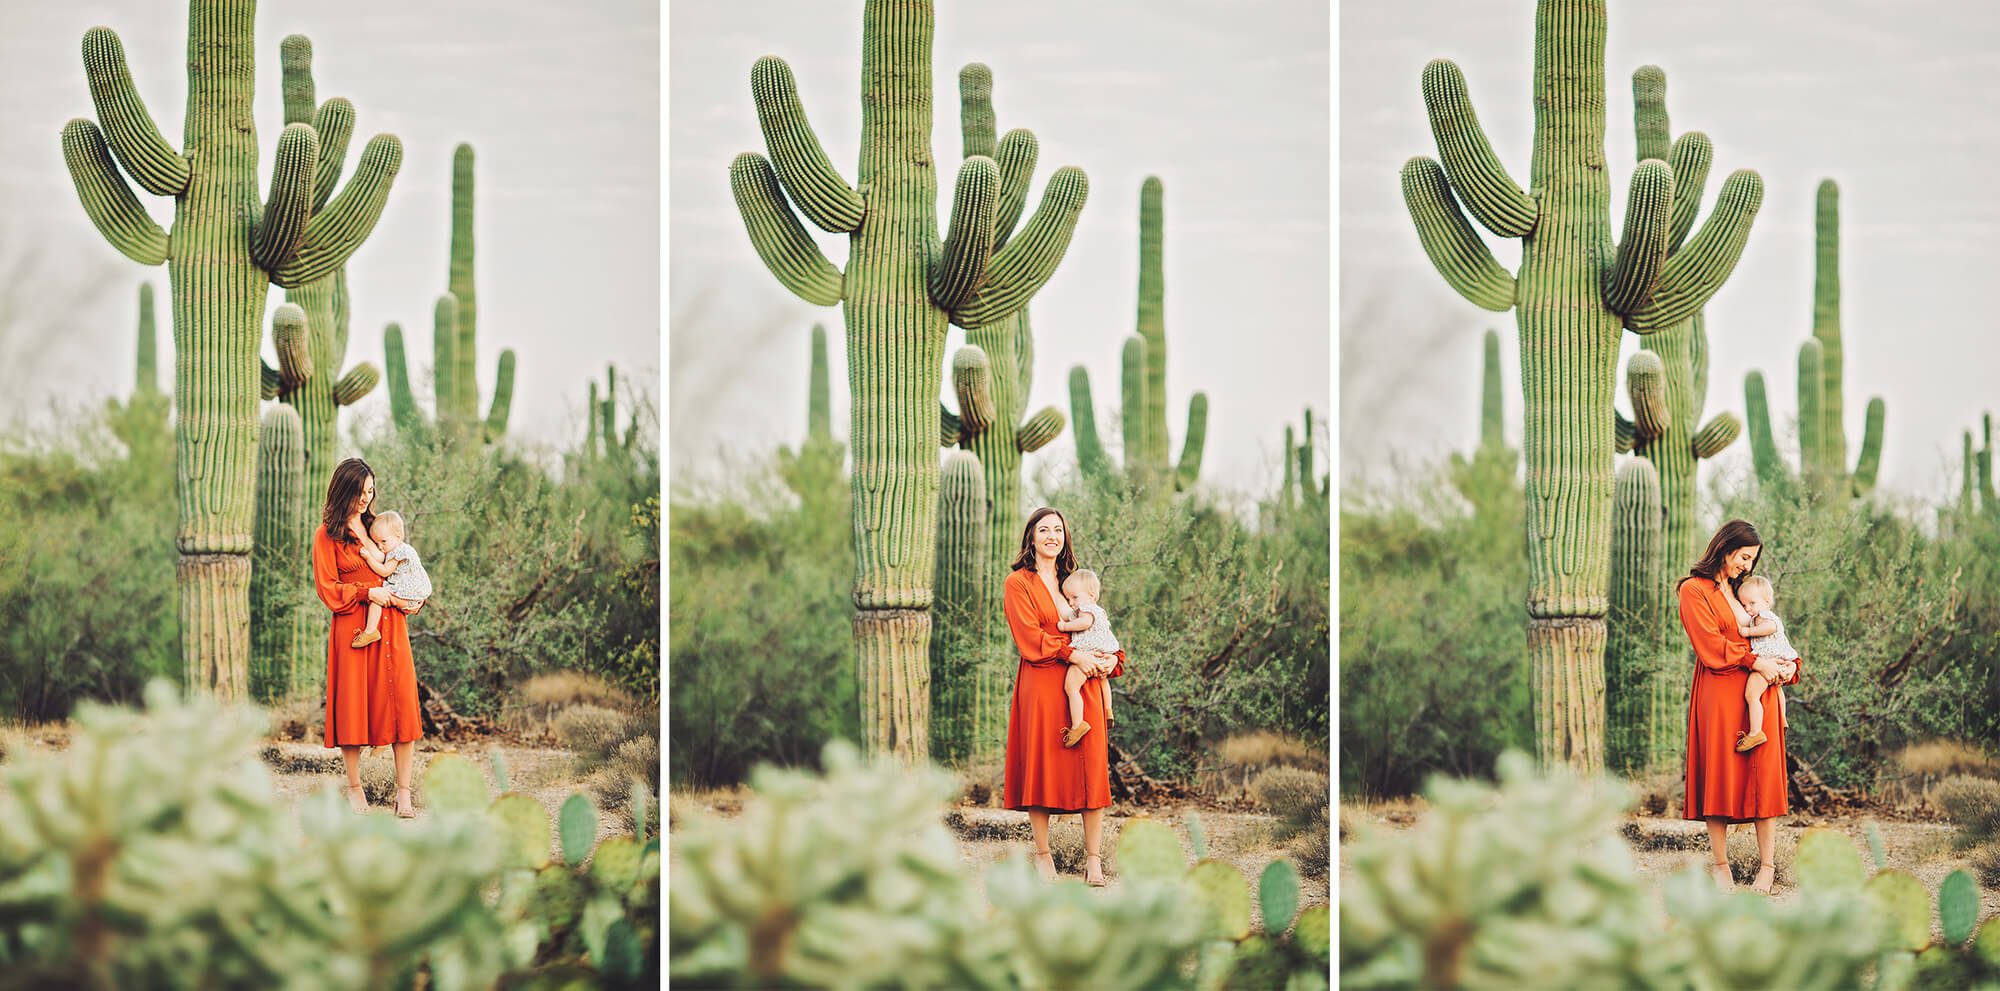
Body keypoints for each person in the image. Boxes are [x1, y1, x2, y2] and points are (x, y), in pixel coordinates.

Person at [1002, 508, 1125, 887]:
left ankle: (1093, 860)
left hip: (1084, 682)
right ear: (1031, 537)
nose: (1051, 536)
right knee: (1042, 766)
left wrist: (1109, 660)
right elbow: (1029, 637)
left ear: (1064, 537)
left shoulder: (1076, 582)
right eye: (1044, 530)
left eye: (1058, 529)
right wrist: (1074, 654)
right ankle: (1042, 856)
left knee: (1090, 768)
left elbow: (1099, 627)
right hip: (1041, 683)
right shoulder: (1018, 583)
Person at [1679, 519, 1799, 895]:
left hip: (1759, 695)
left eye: (1751, 560)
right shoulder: (1693, 591)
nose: (1747, 566)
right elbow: (1710, 647)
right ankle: (1720, 866)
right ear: (1726, 547)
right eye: (1744, 557)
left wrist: (1787, 667)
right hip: (1718, 694)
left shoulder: (1743, 591)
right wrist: (1755, 663)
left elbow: (1775, 634)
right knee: (1719, 778)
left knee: (1763, 779)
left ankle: (1767, 867)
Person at [313, 459, 425, 819]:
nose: (366, 499)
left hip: (391, 625)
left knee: (401, 703)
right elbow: (328, 589)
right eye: (360, 492)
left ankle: (403, 794)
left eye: (371, 492)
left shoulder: (378, 526)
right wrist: (366, 593)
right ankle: (355, 788)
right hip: (353, 630)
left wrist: (410, 595)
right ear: (344, 490)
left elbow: (403, 566)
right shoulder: (326, 536)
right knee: (353, 707)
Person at [1729, 575, 1797, 752]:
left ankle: (1755, 732)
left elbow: (1770, 627)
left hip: (1768, 660)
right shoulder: (1759, 613)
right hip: (1781, 660)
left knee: (1751, 695)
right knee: (1778, 689)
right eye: (1744, 605)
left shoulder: (1764, 616)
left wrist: (1748, 631)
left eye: (1752, 603)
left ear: (1767, 602)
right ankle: (1782, 718)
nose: (1748, 608)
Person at [348, 511, 433, 649]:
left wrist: (368, 558)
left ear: (398, 536)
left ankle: (370, 631)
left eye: (383, 541)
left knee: (378, 599)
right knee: (386, 598)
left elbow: (385, 571)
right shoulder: (400, 547)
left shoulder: (398, 552)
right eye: (376, 543)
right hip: (413, 591)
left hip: (408, 589)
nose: (380, 547)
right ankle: (372, 630)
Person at [1054, 569, 1119, 747]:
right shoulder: (1100, 611)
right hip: (1104, 653)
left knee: (1071, 687)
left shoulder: (1087, 609)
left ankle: (1077, 724)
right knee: (1103, 680)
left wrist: (1064, 626)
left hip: (1088, 652)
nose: (1071, 602)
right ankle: (1108, 710)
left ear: (1091, 595)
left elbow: (1084, 623)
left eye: (1074, 597)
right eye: (1068, 599)